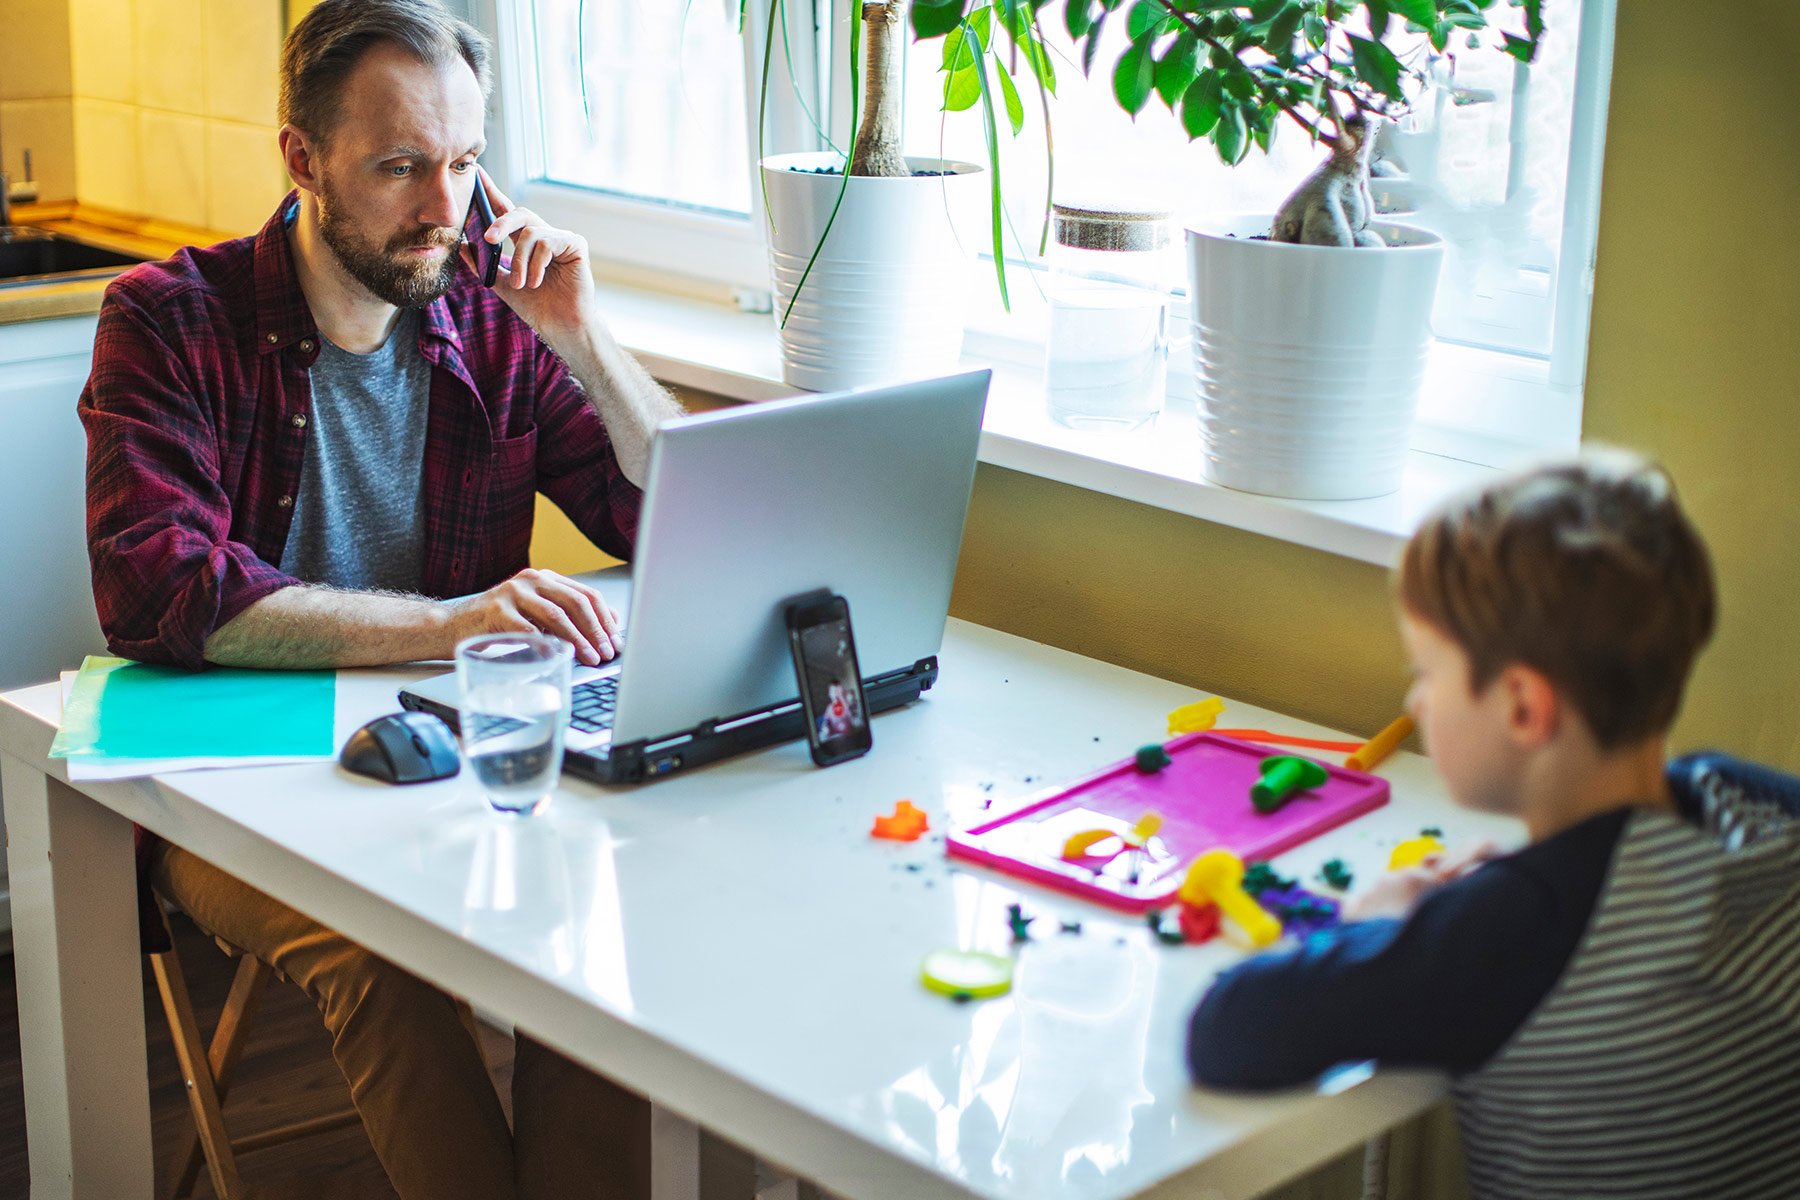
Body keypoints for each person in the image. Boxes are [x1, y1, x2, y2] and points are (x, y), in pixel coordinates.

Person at [79, 2, 683, 1196]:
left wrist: (585, 337)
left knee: (597, 939)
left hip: (449, 756)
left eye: (464, 164)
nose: (442, 209)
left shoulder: (491, 325)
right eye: (401, 165)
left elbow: (678, 521)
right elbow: (163, 591)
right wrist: (454, 624)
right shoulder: (166, 322)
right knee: (384, 963)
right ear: (302, 159)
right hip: (232, 776)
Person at [1186, 453, 1800, 1197]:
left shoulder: (1518, 930)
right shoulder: (1758, 810)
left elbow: (1230, 1030)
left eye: (1427, 672)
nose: (1416, 703)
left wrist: (1377, 921)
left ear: (1521, 707)